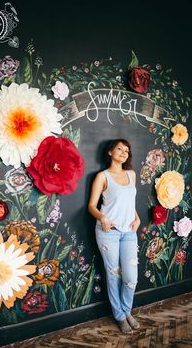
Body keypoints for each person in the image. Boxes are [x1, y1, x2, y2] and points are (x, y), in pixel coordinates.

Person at [88, 139, 140, 334]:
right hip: (108, 232)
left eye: (127, 150)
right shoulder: (103, 176)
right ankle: (119, 316)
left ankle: (127, 311)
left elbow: (130, 202)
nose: (123, 152)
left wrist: (137, 218)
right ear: (110, 152)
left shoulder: (131, 175)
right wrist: (102, 217)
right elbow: (92, 206)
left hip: (129, 232)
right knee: (114, 275)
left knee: (131, 278)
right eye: (119, 148)